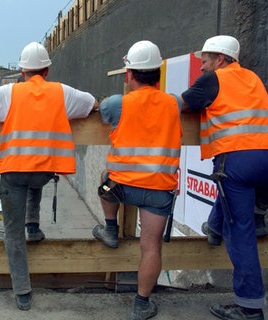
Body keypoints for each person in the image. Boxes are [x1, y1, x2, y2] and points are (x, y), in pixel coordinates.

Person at [0, 41, 97, 310]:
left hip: (14, 171)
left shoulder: (9, 93)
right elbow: (92, 104)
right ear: (47, 70)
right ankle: (34, 225)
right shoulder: (63, 93)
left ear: (21, 70)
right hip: (45, 171)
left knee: (12, 234)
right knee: (36, 174)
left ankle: (23, 291)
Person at [182, 35, 268, 320]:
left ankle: (250, 308)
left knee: (241, 234)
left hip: (239, 161)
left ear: (220, 59)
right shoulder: (252, 78)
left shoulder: (212, 80)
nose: (202, 67)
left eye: (205, 61)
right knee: (239, 207)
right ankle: (232, 223)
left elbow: (185, 104)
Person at [92, 40, 182, 320]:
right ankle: (141, 304)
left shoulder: (117, 103)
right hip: (159, 190)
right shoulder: (174, 102)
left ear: (129, 74)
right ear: (158, 73)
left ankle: (110, 228)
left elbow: (103, 113)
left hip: (121, 189)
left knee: (104, 178)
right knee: (151, 247)